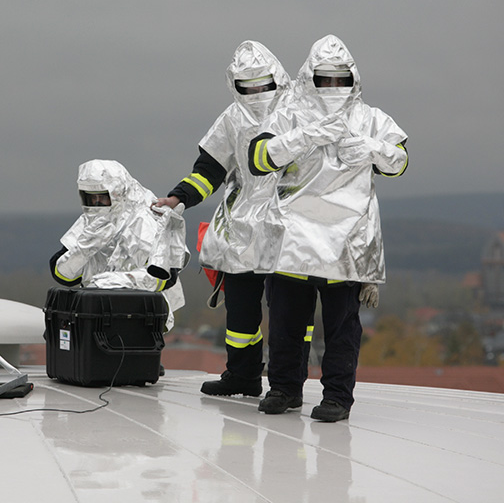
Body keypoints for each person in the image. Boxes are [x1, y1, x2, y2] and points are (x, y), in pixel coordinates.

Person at [248, 34, 408, 421]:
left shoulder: (372, 119)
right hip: (294, 243)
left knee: (342, 331)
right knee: (286, 325)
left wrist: (375, 149)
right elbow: (257, 158)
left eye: (340, 79)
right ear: (310, 78)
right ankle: (284, 389)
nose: (333, 87)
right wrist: (300, 139)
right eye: (325, 79)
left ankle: (337, 397)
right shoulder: (289, 115)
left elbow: (400, 162)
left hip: (346, 246)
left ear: (353, 78)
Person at [156, 40, 313, 397]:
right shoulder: (232, 118)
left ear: (276, 78)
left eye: (263, 84)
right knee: (240, 313)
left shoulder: (301, 111)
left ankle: (288, 383)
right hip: (241, 226)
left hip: (292, 225)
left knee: (292, 313)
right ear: (235, 85)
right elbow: (209, 168)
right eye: (248, 86)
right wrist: (180, 197)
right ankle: (242, 375)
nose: (256, 92)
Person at [50, 159, 187, 333]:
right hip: (94, 314)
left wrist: (117, 281)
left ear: (118, 192)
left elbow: (165, 276)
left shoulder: (149, 218)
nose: (97, 202)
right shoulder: (88, 220)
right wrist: (83, 250)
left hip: (140, 317)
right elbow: (61, 275)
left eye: (102, 196)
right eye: (91, 197)